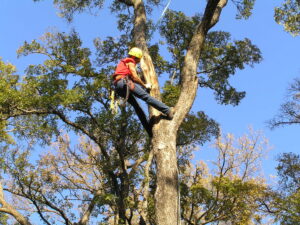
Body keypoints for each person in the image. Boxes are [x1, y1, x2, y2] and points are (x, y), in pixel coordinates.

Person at [113, 47, 173, 136]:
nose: (137, 62)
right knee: (146, 97)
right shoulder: (130, 61)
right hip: (125, 83)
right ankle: (167, 110)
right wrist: (145, 85)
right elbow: (134, 76)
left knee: (137, 107)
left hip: (118, 87)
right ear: (135, 57)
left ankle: (149, 130)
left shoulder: (122, 63)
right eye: (137, 60)